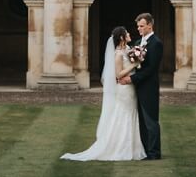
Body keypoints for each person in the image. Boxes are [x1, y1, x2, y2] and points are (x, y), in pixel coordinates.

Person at [60, 26, 145, 162]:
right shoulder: (118, 54)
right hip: (124, 89)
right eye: (127, 33)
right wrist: (134, 65)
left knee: (131, 114)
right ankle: (121, 148)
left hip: (131, 87)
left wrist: (138, 61)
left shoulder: (128, 49)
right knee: (124, 115)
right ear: (122, 37)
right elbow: (118, 74)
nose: (130, 34)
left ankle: (134, 148)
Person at [120, 12, 162, 160]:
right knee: (142, 122)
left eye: (142, 26)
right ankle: (145, 151)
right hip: (136, 88)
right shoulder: (138, 43)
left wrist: (131, 79)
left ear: (150, 25)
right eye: (138, 26)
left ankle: (154, 153)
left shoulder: (156, 43)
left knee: (151, 121)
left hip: (148, 87)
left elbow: (151, 69)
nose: (139, 28)